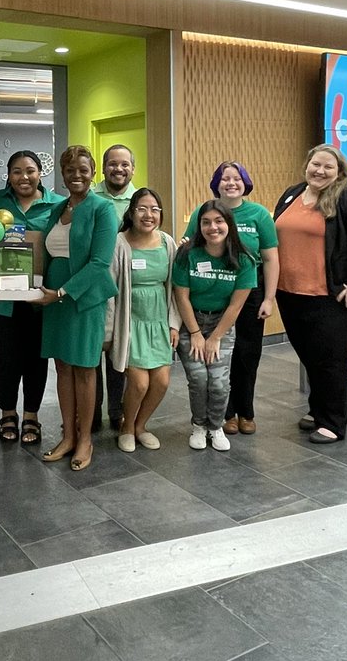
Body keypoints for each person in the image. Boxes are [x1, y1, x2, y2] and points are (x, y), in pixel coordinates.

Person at [274, 144, 347, 444]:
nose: (320, 171)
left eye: (328, 167)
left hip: (331, 296)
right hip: (290, 293)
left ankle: (333, 422)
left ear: (339, 172)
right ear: (307, 164)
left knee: (332, 361)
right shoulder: (292, 194)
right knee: (310, 357)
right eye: (315, 164)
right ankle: (317, 409)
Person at [183, 161, 279, 435]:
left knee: (247, 353)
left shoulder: (259, 214)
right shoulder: (204, 211)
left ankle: (245, 411)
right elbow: (189, 246)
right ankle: (225, 414)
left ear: (245, 182)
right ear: (217, 183)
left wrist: (269, 298)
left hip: (249, 291)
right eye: (225, 179)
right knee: (219, 355)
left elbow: (271, 258)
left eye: (236, 178)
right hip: (214, 290)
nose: (231, 183)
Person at [38, 146, 118, 471]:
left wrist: (60, 292)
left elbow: (100, 263)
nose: (76, 175)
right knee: (63, 368)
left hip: (82, 300)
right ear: (62, 173)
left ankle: (85, 439)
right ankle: (68, 436)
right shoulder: (57, 208)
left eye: (83, 169)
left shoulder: (103, 208)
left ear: (93, 171)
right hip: (52, 300)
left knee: (85, 369)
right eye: (70, 170)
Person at [0, 150, 60, 444]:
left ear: (40, 173)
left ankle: (31, 415)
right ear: (8, 175)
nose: (23, 177)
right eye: (16, 171)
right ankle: (7, 413)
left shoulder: (56, 205)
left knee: (36, 360)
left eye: (30, 170)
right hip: (2, 298)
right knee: (5, 358)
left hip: (39, 298)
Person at [172, 201, 256, 451]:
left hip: (222, 324)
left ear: (229, 224)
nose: (213, 227)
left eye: (219, 221)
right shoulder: (187, 254)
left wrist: (216, 337)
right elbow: (181, 296)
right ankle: (199, 425)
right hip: (192, 322)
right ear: (199, 226)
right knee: (198, 378)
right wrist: (196, 334)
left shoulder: (244, 259)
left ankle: (216, 426)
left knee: (218, 382)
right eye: (206, 222)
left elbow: (235, 306)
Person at [105, 188, 180, 453]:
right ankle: (126, 427)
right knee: (139, 383)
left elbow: (176, 288)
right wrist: (110, 331)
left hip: (158, 322)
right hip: (130, 324)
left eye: (155, 209)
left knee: (161, 382)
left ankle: (140, 426)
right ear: (131, 212)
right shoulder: (119, 243)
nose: (149, 215)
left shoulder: (167, 243)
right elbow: (110, 291)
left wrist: (174, 324)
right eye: (142, 209)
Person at [92, 144, 138, 430]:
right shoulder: (90, 196)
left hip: (126, 283)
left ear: (133, 168)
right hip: (94, 281)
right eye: (112, 163)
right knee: (91, 350)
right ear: (104, 167)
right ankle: (91, 411)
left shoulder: (139, 199)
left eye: (124, 164)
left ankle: (116, 411)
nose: (118, 169)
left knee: (119, 348)